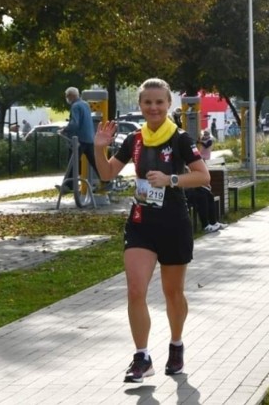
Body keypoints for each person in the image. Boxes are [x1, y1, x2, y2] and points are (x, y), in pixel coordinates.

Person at [93, 77, 210, 383]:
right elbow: (106, 173)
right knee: (135, 289)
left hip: (174, 223)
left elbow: (202, 177)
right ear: (141, 105)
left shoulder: (180, 138)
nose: (154, 107)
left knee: (173, 293)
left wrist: (170, 180)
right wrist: (98, 148)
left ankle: (176, 345)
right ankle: (142, 357)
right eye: (148, 102)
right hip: (141, 223)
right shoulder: (134, 139)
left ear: (168, 104)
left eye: (159, 102)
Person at [58, 87, 99, 193]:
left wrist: (64, 130)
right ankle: (106, 180)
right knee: (94, 161)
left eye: (67, 96)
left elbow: (74, 123)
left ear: (71, 96)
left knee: (72, 162)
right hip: (89, 138)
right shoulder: (85, 104)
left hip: (79, 139)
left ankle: (68, 185)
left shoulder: (75, 106)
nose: (67, 99)